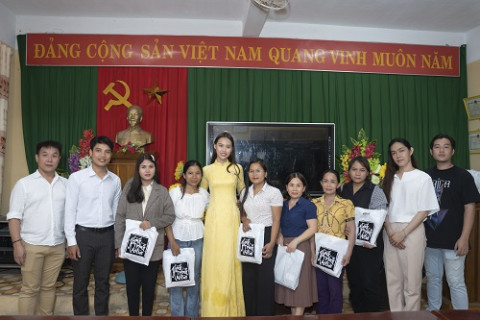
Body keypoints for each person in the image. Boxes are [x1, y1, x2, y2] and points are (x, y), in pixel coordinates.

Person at [7, 141, 67, 315]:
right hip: (31, 245)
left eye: (54, 155)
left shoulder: (66, 184)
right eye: (45, 155)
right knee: (30, 289)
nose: (49, 159)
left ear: (59, 159)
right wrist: (17, 244)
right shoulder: (24, 184)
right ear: (36, 157)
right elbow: (14, 217)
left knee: (49, 287)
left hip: (57, 246)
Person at [64, 136, 122, 315]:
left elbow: (116, 213)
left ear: (111, 155)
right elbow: (69, 211)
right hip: (83, 236)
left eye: (107, 151)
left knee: (103, 283)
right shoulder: (77, 178)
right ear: (90, 153)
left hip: (106, 237)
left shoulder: (115, 180)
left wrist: (117, 241)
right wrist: (71, 241)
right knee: (80, 283)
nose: (102, 155)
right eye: (98, 150)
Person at [381, 138, 439, 311]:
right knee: (393, 281)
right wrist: (391, 231)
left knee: (412, 284)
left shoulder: (423, 178)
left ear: (410, 151)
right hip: (390, 231)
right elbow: (382, 207)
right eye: (393, 152)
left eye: (401, 150)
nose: (398, 155)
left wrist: (403, 233)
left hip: (412, 231)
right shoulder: (388, 178)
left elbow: (424, 210)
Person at [115, 154, 176, 316]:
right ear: (138, 169)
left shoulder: (161, 191)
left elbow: (170, 216)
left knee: (149, 290)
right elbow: (120, 216)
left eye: (151, 166)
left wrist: (152, 222)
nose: (147, 170)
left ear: (155, 169)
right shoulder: (129, 188)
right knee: (132, 288)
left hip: (153, 250)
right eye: (143, 167)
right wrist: (119, 243)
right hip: (131, 247)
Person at [424, 134, 480, 311]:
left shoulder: (463, 176)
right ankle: (433, 313)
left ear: (453, 151)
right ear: (431, 151)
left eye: (446, 146)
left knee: (455, 282)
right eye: (437, 146)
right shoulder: (425, 176)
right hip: (429, 241)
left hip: (454, 241)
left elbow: (470, 208)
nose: (441, 150)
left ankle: (461, 317)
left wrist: (464, 238)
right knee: (433, 279)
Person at [200, 132, 246, 316]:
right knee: (214, 260)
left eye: (228, 146)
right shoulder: (206, 170)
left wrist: (243, 208)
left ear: (232, 149)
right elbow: (201, 197)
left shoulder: (237, 168)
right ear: (215, 147)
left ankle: (232, 309)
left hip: (232, 219)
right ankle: (214, 310)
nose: (224, 149)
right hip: (213, 219)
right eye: (221, 145)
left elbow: (243, 193)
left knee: (230, 259)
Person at [339, 156, 388, 313]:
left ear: (368, 172)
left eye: (362, 170)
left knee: (370, 284)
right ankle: (358, 315)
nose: (358, 173)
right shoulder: (342, 190)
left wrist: (371, 238)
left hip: (369, 247)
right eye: (354, 169)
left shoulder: (376, 191)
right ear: (349, 171)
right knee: (355, 284)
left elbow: (381, 218)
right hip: (349, 245)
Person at [166, 160, 209, 317]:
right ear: (184, 175)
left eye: (197, 173)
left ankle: (191, 316)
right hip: (177, 239)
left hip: (198, 240)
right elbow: (167, 219)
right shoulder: (175, 192)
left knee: (194, 281)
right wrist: (172, 242)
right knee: (176, 280)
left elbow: (214, 214)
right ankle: (178, 316)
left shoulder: (205, 194)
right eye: (190, 173)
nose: (194, 176)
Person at [239, 159, 283, 316]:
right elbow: (241, 211)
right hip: (248, 237)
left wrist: (272, 243)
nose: (254, 174)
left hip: (266, 235)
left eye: (258, 170)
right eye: (251, 171)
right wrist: (244, 219)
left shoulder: (274, 192)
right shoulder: (245, 192)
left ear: (265, 173)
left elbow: (277, 219)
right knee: (248, 280)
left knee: (265, 281)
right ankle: (250, 315)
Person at [312, 169, 355, 314]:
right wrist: (312, 252)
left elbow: (352, 230)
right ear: (321, 183)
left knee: (335, 291)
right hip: (319, 252)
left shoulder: (346, 204)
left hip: (337, 254)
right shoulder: (314, 203)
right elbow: (311, 231)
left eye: (332, 181)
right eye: (325, 181)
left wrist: (349, 253)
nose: (329, 184)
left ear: (338, 184)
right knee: (321, 291)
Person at [275, 172, 318, 316]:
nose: (295, 188)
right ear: (286, 187)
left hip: (300, 247)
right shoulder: (282, 205)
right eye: (291, 185)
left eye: (298, 185)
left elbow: (313, 228)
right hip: (285, 249)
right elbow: (277, 224)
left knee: (299, 293)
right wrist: (279, 235)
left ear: (304, 188)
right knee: (290, 291)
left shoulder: (308, 206)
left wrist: (297, 241)